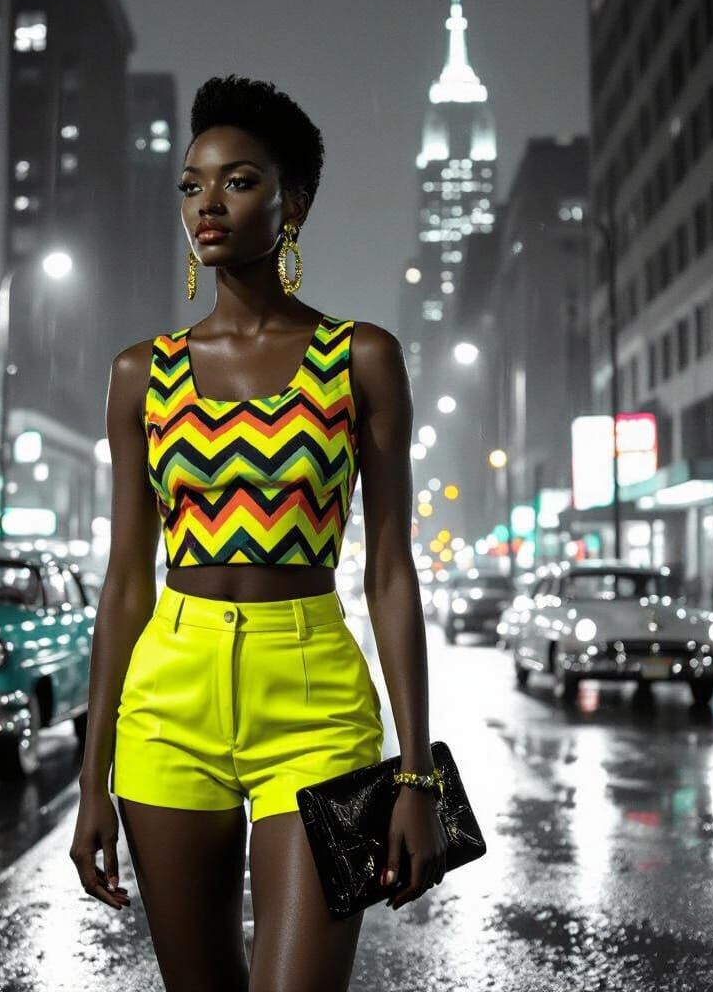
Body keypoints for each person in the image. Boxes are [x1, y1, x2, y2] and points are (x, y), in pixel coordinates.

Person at [69, 75, 448, 992]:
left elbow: (392, 574)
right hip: (169, 701)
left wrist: (417, 775)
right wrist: (92, 779)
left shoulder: (362, 358)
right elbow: (126, 583)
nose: (208, 203)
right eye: (192, 184)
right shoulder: (140, 373)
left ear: (294, 204)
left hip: (315, 696)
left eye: (239, 181)